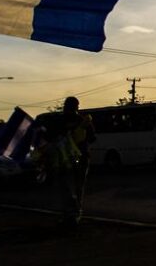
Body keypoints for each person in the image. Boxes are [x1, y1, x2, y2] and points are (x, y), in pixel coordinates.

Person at [45, 96, 96, 226]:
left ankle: (70, 213)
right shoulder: (81, 121)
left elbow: (50, 136)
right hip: (76, 157)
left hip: (68, 158)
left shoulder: (60, 121)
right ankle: (75, 212)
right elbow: (92, 138)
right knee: (76, 187)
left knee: (68, 186)